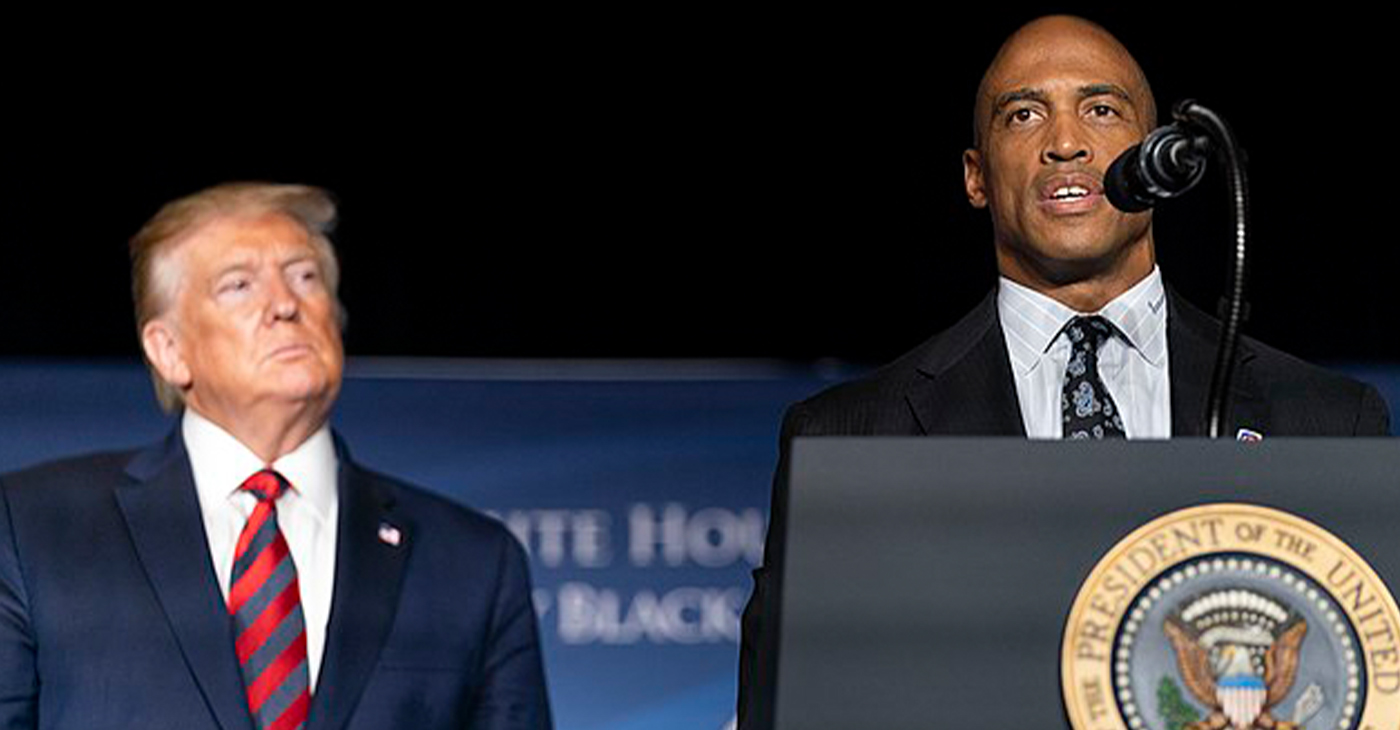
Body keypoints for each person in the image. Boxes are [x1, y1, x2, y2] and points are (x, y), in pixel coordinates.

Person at [736, 15, 1391, 729]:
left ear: (1158, 157)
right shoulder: (848, 439)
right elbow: (791, 709)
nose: (1066, 142)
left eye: (1102, 109)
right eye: (1023, 114)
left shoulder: (1327, 422)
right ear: (976, 176)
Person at [0, 183, 552, 729]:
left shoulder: (473, 562)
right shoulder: (32, 529)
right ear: (169, 351)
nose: (286, 304)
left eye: (304, 277)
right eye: (238, 285)